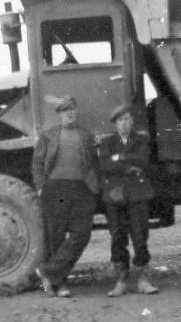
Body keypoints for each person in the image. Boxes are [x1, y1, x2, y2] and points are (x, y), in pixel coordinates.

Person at [31, 95, 99, 297]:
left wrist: (94, 187)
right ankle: (58, 285)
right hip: (56, 189)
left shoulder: (85, 135)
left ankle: (47, 272)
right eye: (65, 110)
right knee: (56, 236)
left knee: (82, 234)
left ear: (76, 112)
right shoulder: (49, 135)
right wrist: (41, 186)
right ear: (59, 114)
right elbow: (37, 163)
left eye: (72, 109)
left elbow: (93, 163)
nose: (69, 113)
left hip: (81, 188)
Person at [98, 104, 159, 297]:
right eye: (120, 120)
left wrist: (119, 158)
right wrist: (127, 166)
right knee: (117, 237)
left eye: (127, 120)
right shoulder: (107, 142)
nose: (124, 124)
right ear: (115, 124)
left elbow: (142, 161)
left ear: (132, 122)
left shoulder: (141, 139)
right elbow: (105, 164)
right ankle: (121, 281)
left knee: (140, 235)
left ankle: (143, 279)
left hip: (137, 193)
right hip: (115, 195)